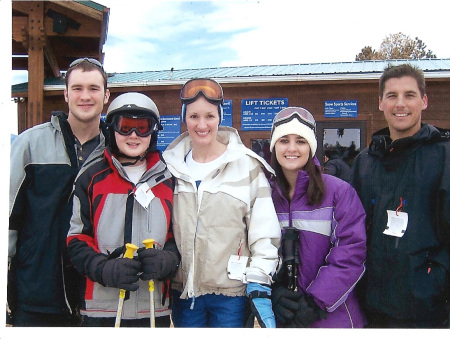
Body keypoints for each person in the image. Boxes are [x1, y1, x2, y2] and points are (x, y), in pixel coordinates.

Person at [163, 78, 281, 328]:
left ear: (220, 118)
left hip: (231, 295)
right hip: (185, 293)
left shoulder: (246, 165)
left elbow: (264, 231)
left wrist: (259, 278)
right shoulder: (171, 167)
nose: (202, 124)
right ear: (185, 119)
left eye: (210, 116)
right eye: (194, 116)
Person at [8, 57, 110, 326]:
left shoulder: (116, 150)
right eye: (77, 88)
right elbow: (8, 215)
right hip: (39, 289)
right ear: (65, 94)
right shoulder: (30, 143)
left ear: (106, 95)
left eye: (93, 88)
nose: (85, 96)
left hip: (98, 294)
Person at [66, 92, 180, 327]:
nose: (134, 135)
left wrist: (168, 260)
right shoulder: (92, 178)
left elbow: (177, 236)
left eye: (142, 127)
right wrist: (103, 268)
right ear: (111, 130)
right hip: (102, 308)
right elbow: (76, 238)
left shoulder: (168, 180)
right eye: (125, 126)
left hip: (152, 307)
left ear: (154, 132)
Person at [351, 63, 450, 328]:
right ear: (381, 102)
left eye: (409, 95)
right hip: (370, 306)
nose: (400, 104)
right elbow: (352, 231)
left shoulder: (443, 156)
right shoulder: (365, 162)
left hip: (426, 310)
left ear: (424, 101)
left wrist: (435, 281)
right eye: (392, 96)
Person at [269, 107, 367, 328]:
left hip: (333, 318)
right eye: (284, 140)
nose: (292, 148)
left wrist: (315, 303)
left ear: (311, 147)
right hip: (286, 318)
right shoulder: (266, 196)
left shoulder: (338, 192)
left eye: (301, 141)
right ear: (274, 147)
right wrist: (274, 292)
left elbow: (351, 251)